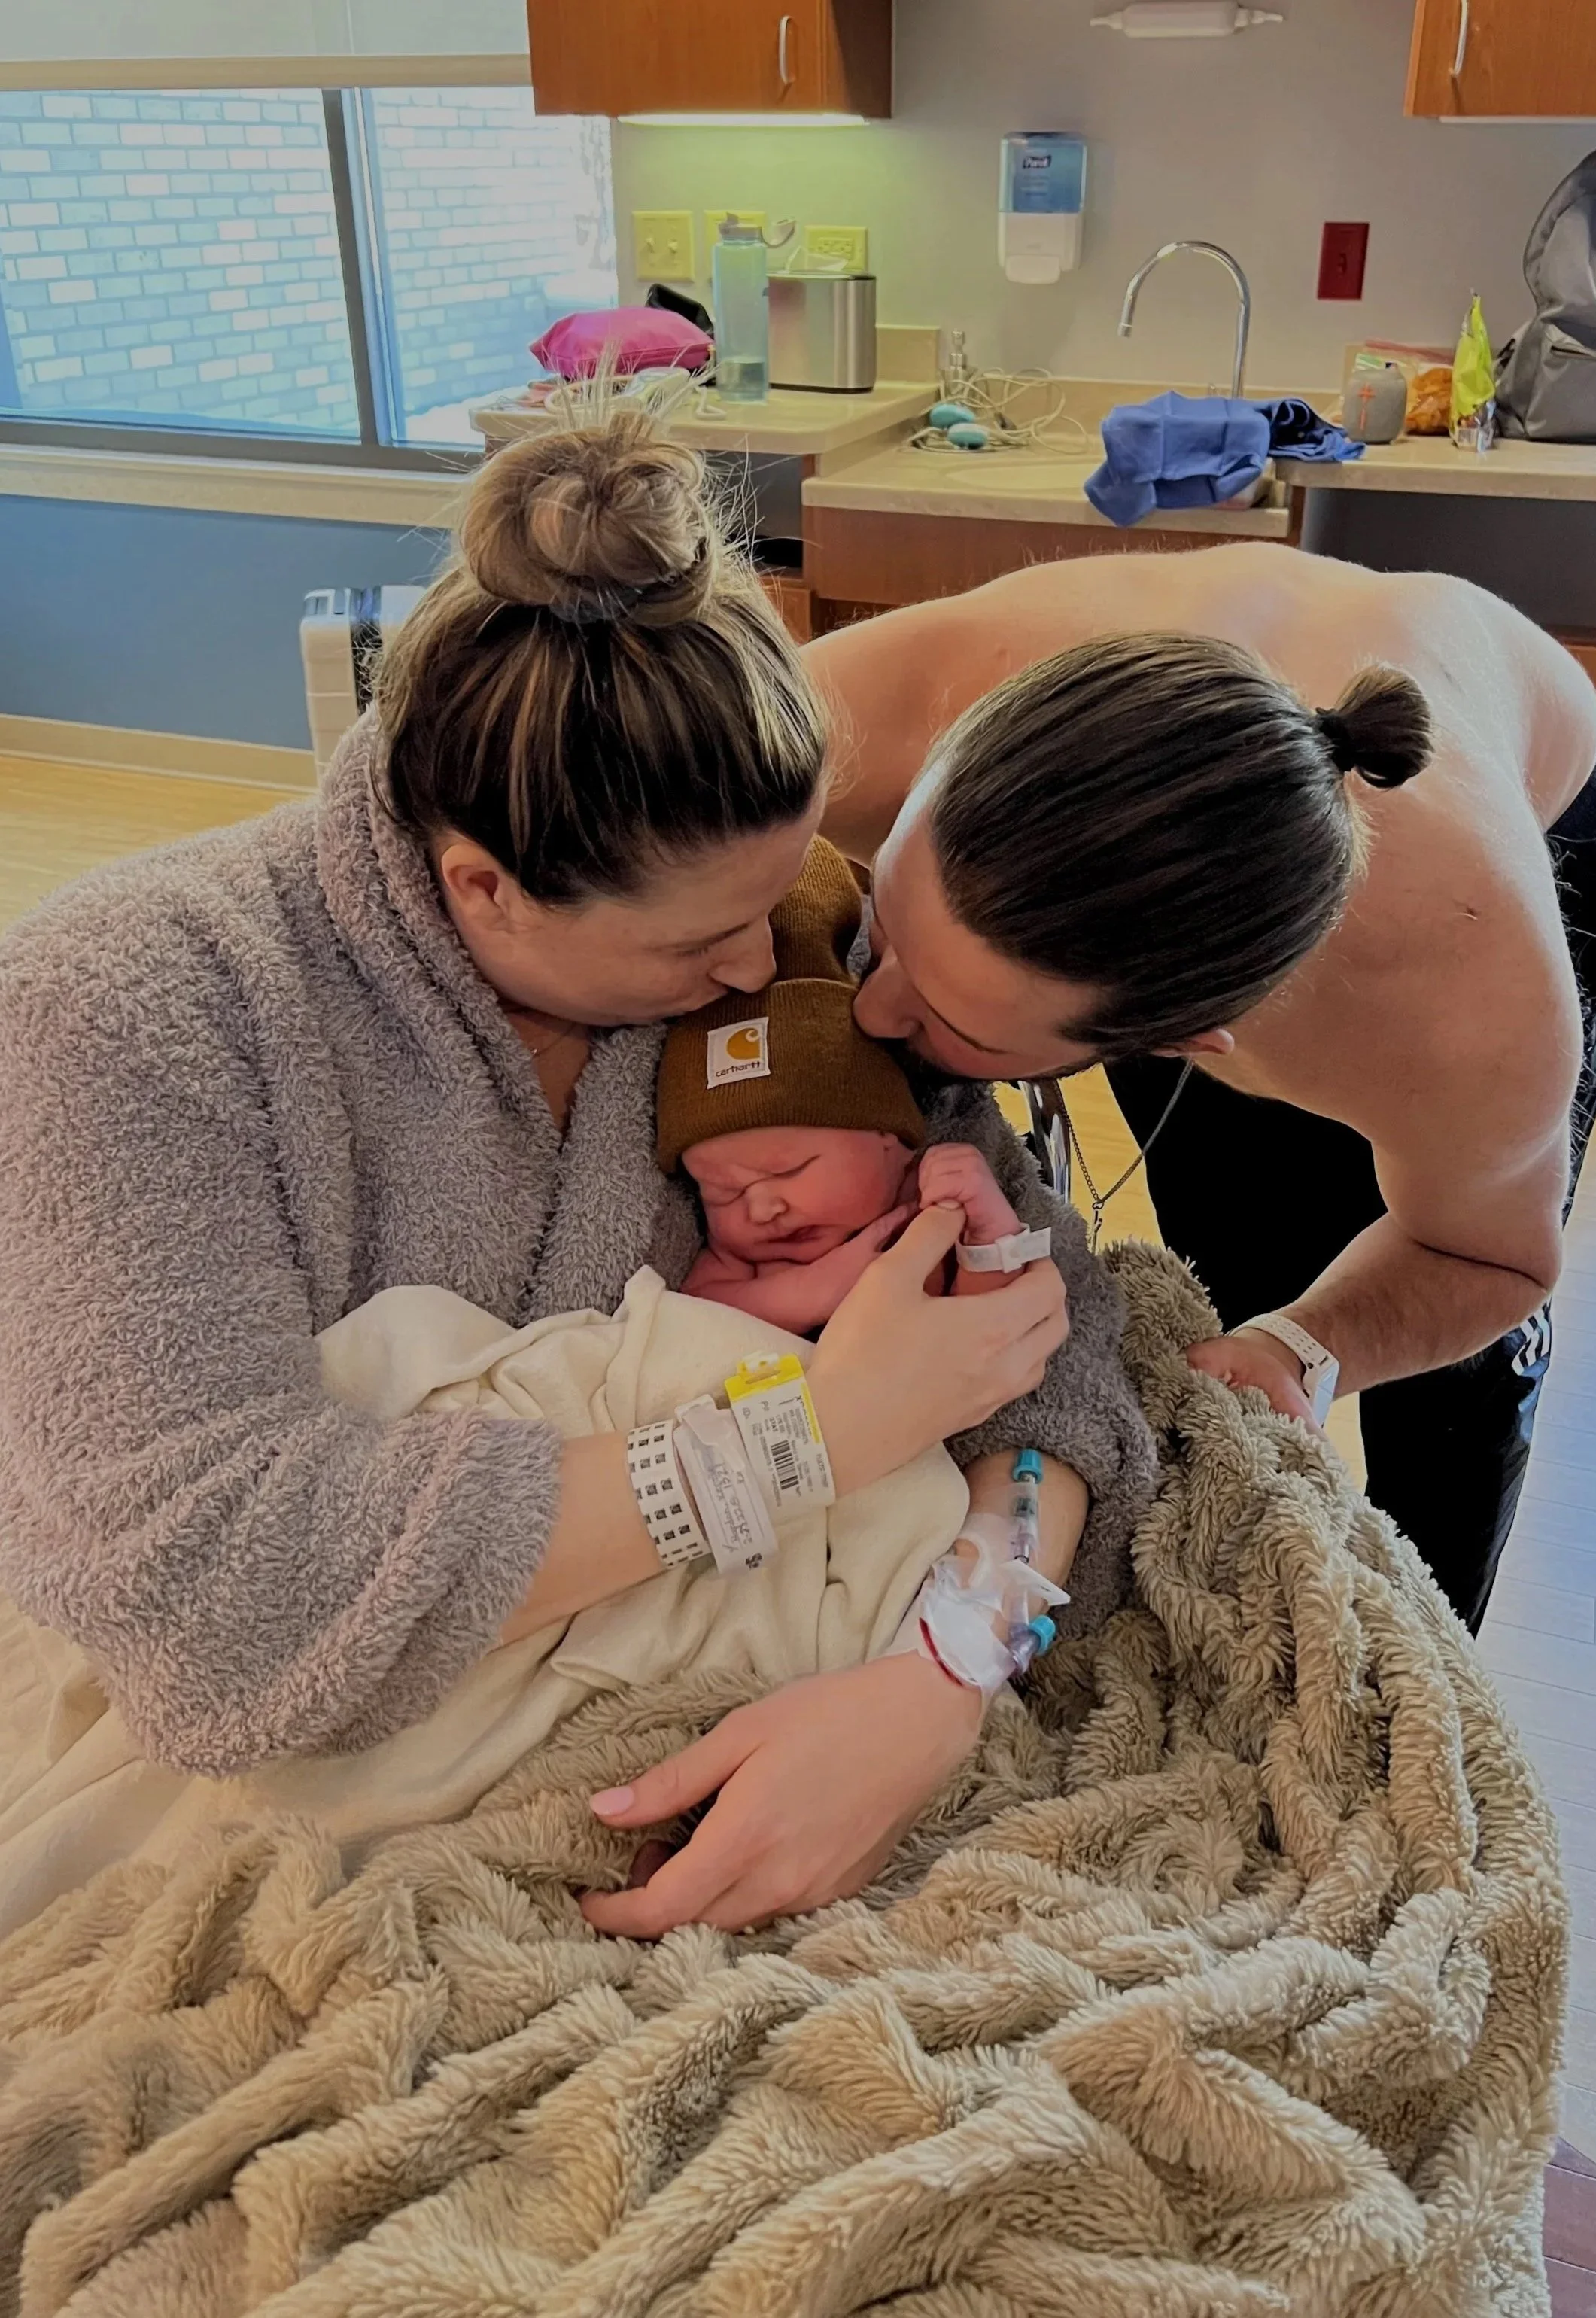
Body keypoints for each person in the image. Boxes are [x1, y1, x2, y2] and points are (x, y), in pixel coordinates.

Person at [0, 412, 1154, 1939]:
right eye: (694, 947)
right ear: (484, 883)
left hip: (780, 1677)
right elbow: (220, 1598)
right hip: (308, 1749)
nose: (768, 966)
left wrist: (942, 1675)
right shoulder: (135, 1011)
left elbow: (1045, 1349)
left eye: (780, 901)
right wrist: (807, 1433)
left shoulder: (790, 922)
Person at [810, 545, 1596, 1629]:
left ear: (1182, 1040)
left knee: (1428, 1381)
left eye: (949, 1019)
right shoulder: (871, 706)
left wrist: (1304, 1347)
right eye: (880, 929)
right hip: (1226, 737)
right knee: (1229, 1280)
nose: (869, 1017)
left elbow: (1486, 1254)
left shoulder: (1471, 1001)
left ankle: (1432, 1626)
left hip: (1548, 803)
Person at [665, 836, 1038, 1332]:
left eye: (788, 1169)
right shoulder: (745, 1263)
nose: (760, 1207)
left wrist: (991, 1231)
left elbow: (987, 1322)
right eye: (720, 1194)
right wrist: (808, 1291)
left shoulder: (924, 1202)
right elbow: (691, 1312)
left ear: (890, 1140)